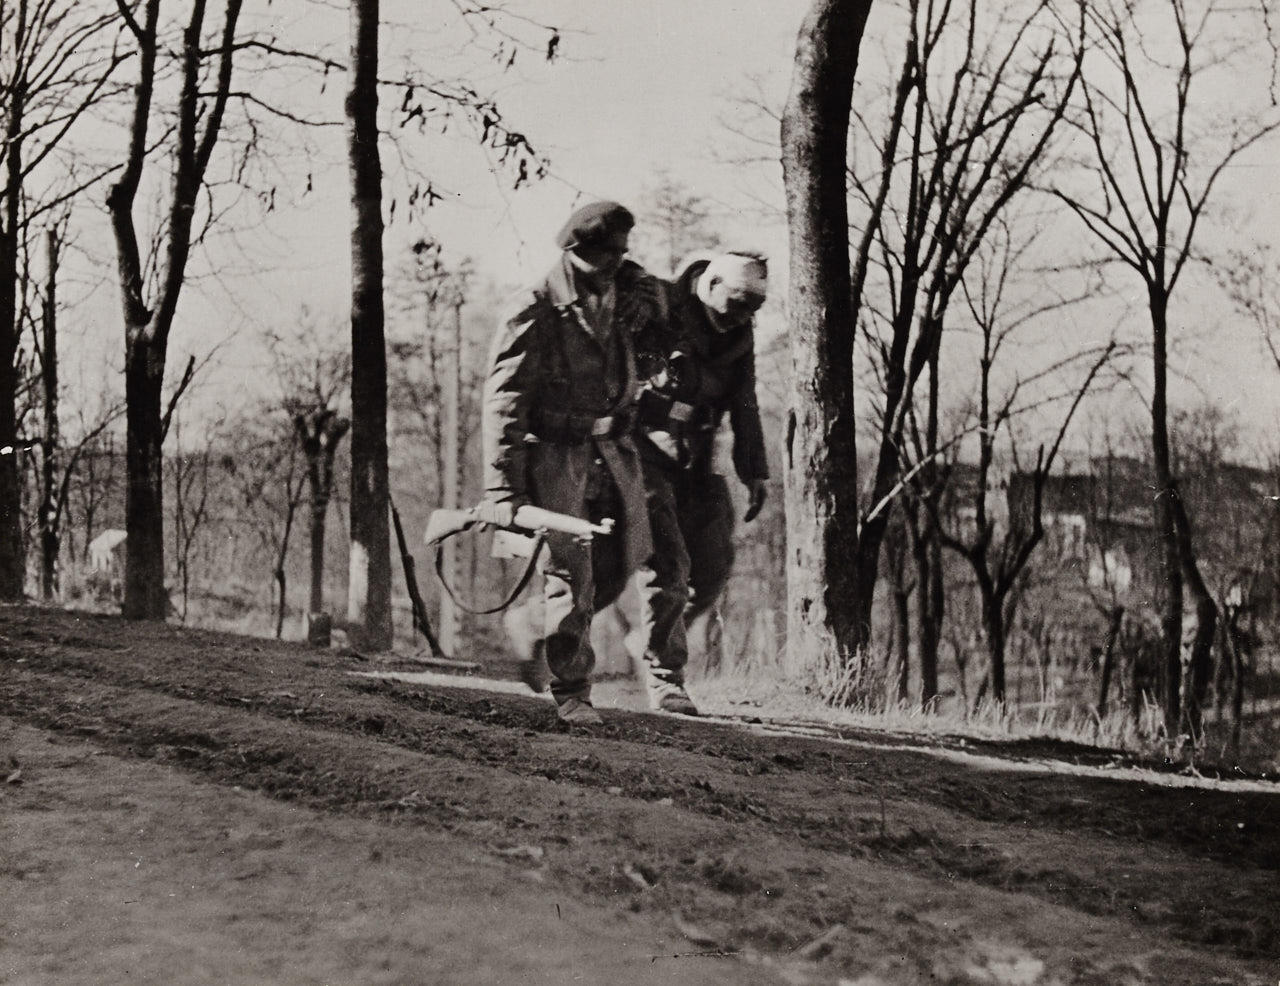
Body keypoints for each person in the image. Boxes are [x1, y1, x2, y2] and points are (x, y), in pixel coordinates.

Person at [480, 200, 664, 725]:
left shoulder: (625, 296)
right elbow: (504, 400)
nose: (616, 264)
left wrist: (654, 309)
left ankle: (535, 626)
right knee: (571, 572)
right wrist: (500, 489)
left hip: (613, 453)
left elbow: (655, 360)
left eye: (621, 255)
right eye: (607, 255)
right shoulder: (536, 306)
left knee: (623, 560)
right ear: (578, 252)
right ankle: (573, 692)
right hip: (557, 454)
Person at [631, 250, 770, 715]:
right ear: (710, 288)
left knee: (712, 567)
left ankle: (649, 639)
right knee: (668, 562)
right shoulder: (662, 308)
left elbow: (745, 403)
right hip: (641, 451)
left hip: (696, 456)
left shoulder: (740, 335)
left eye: (752, 309)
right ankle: (665, 677)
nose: (741, 319)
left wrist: (754, 471)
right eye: (735, 306)